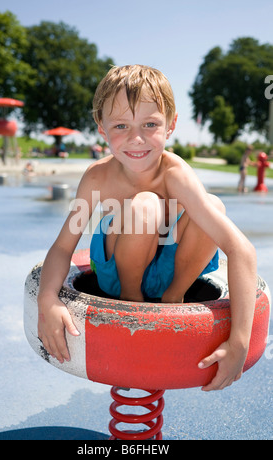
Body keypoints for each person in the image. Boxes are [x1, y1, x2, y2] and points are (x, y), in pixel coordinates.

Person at [37, 65, 257, 392]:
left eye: (150, 124)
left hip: (171, 271)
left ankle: (174, 296)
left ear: (171, 125)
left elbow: (241, 250)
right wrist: (47, 301)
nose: (136, 139)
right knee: (145, 205)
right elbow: (62, 248)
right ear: (101, 127)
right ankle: (132, 297)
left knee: (212, 206)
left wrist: (239, 341)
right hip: (117, 273)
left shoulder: (175, 174)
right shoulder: (98, 178)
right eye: (121, 125)